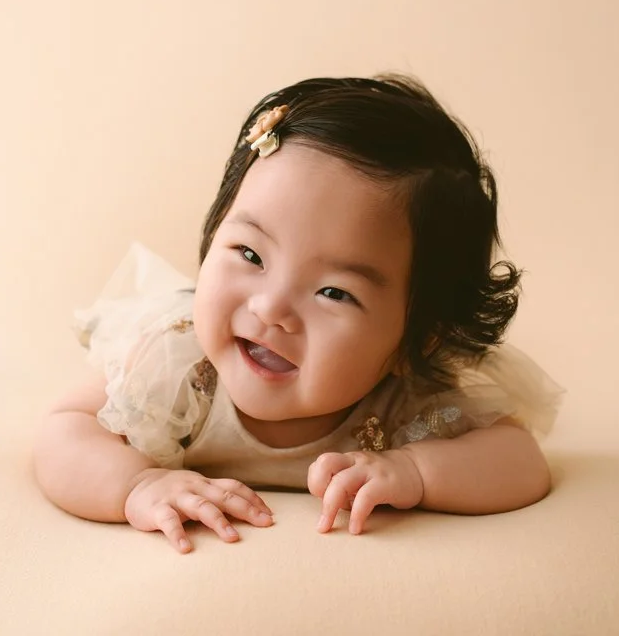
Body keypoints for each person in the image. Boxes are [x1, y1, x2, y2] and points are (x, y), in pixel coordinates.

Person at [33, 74, 564, 553]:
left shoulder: (406, 404)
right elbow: (66, 428)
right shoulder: (176, 365)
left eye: (334, 292)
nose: (271, 308)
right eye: (250, 255)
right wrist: (136, 485)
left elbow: (521, 462)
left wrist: (414, 470)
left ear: (416, 340)